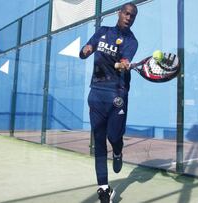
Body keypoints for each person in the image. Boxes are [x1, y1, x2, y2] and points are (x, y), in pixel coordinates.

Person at [79, 2, 138, 203]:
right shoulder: (102, 31)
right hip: (96, 92)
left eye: (132, 16)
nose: (129, 17)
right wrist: (86, 50)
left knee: (113, 136)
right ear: (118, 13)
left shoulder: (131, 41)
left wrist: (124, 64)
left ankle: (119, 150)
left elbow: (126, 59)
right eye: (126, 13)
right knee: (99, 142)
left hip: (117, 95)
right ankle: (104, 188)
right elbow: (85, 50)